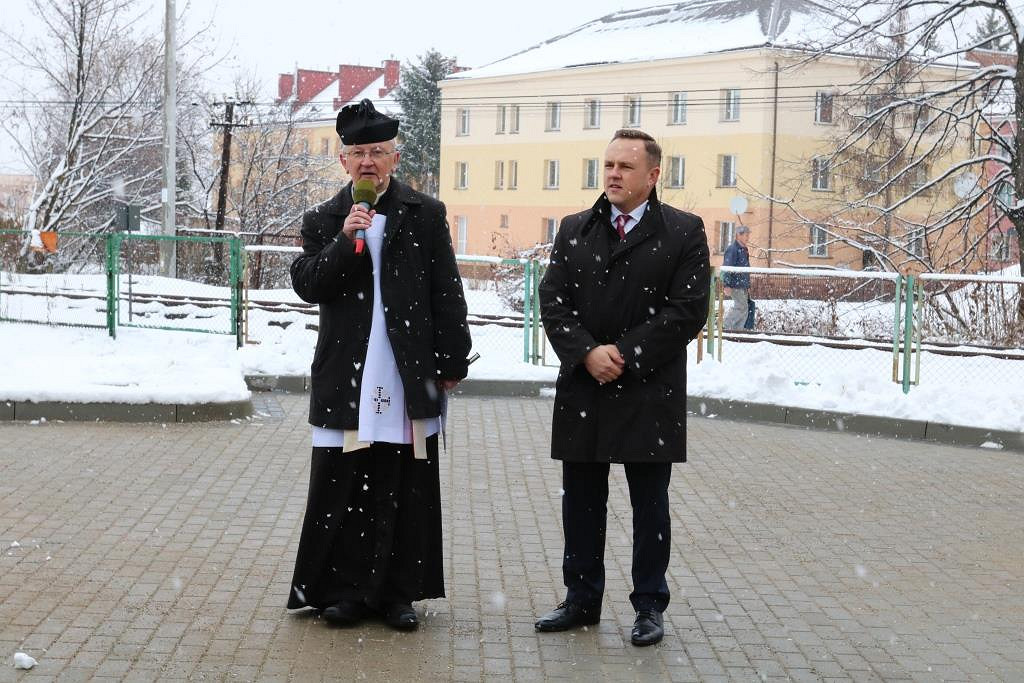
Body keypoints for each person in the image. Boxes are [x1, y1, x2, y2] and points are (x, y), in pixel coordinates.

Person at [287, 99, 472, 631]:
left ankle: (398, 593)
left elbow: (446, 292)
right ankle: (342, 591)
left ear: (394, 157)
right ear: (343, 161)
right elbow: (308, 284)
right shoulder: (325, 218)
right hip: (348, 369)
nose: (368, 162)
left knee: (403, 480)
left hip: (406, 369)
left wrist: (453, 357)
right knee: (343, 480)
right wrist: (346, 242)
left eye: (378, 152)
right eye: (358, 153)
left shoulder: (426, 214)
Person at [536, 129, 711, 647]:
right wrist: (587, 352)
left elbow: (686, 312)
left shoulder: (683, 231)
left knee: (649, 506)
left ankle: (649, 606)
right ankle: (581, 599)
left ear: (653, 175)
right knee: (581, 503)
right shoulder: (574, 229)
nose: (612, 174)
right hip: (585, 388)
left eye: (625, 167)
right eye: (608, 164)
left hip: (647, 393)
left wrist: (625, 354)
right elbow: (554, 302)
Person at [722, 225, 752, 330]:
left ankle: (737, 331)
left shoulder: (744, 249)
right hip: (735, 284)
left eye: (748, 235)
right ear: (739, 235)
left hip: (742, 284)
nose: (748, 237)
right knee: (741, 307)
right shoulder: (733, 249)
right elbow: (727, 267)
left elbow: (745, 269)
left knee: (744, 308)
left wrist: (747, 285)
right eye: (746, 235)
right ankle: (725, 326)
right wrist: (727, 284)